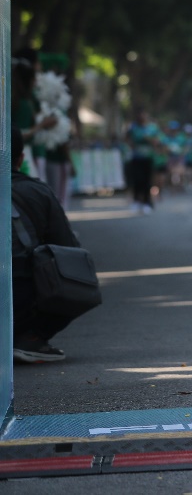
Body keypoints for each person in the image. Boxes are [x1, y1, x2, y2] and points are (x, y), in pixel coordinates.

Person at [10, 130, 86, 363]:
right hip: (19, 301)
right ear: (21, 159)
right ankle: (31, 337)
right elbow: (69, 248)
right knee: (78, 277)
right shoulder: (37, 191)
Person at [125, 107, 160, 213]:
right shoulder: (133, 127)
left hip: (149, 158)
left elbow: (157, 141)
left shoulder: (152, 128)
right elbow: (126, 138)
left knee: (147, 181)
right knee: (137, 180)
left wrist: (148, 139)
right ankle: (136, 201)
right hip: (136, 158)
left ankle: (147, 202)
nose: (141, 117)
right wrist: (131, 146)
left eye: (143, 114)